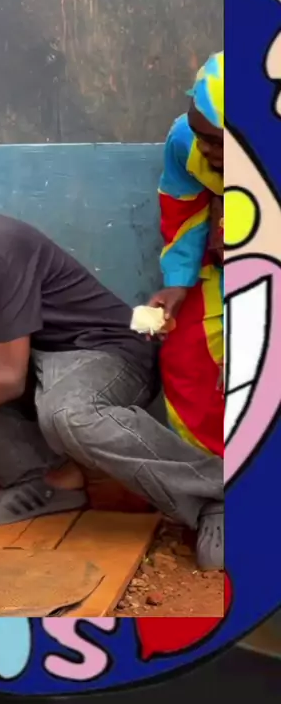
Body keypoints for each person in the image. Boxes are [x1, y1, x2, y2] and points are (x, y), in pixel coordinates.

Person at [0, 164, 224, 569]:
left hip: (102, 351)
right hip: (32, 356)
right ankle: (48, 480)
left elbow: (6, 379)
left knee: (68, 414)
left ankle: (216, 497)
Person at [148, 52, 224, 458]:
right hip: (221, 267)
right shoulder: (183, 140)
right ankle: (212, 473)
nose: (204, 149)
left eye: (217, 141)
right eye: (200, 135)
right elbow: (184, 211)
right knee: (186, 355)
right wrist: (177, 281)